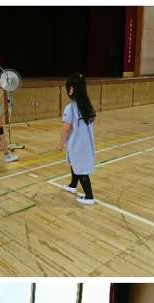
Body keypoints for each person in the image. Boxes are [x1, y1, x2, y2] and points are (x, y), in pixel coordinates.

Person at [58, 73, 96, 206]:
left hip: (77, 145)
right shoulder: (87, 106)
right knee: (75, 163)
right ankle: (73, 185)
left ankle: (89, 196)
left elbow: (66, 128)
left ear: (72, 89)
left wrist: (60, 143)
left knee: (80, 169)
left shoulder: (70, 108)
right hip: (86, 143)